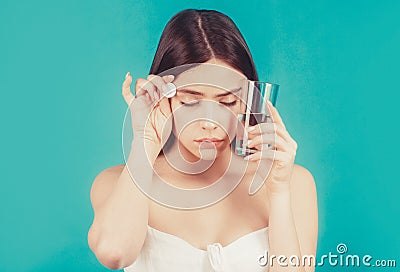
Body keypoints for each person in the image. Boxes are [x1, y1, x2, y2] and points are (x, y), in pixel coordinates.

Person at [88, 8, 318, 272]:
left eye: (228, 102)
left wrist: (278, 193)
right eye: (191, 102)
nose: (211, 122)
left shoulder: (293, 183)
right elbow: (114, 254)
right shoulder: (115, 183)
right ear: (164, 96)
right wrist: (146, 139)